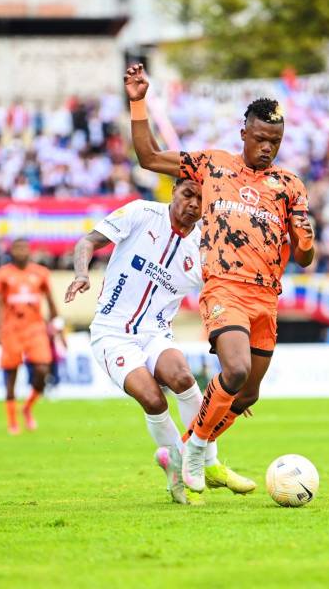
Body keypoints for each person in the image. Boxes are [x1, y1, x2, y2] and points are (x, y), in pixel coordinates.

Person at [123, 63, 315, 493]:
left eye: (276, 142)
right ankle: (196, 453)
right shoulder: (212, 165)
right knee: (234, 368)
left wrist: (304, 232)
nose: (268, 148)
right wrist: (138, 102)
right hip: (224, 287)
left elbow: (304, 256)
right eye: (261, 139)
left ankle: (189, 447)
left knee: (247, 394)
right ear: (243, 132)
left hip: (266, 297)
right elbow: (149, 157)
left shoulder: (289, 185)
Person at [64, 178, 255, 505]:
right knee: (154, 400)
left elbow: (221, 307)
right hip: (113, 333)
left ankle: (209, 464)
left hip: (155, 333)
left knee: (182, 377)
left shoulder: (202, 251)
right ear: (174, 192)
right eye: (187, 195)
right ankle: (179, 471)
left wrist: (231, 379)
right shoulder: (141, 213)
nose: (193, 204)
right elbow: (87, 242)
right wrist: (82, 273)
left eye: (200, 200)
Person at [0, 238, 60, 434]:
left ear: (29, 251)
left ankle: (28, 407)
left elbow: (50, 300)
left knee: (42, 369)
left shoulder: (40, 273)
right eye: (17, 248)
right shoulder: (3, 274)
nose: (21, 252)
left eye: (24, 248)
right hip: (11, 329)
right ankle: (12, 420)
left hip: (35, 328)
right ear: (11, 252)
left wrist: (56, 324)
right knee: (11, 373)